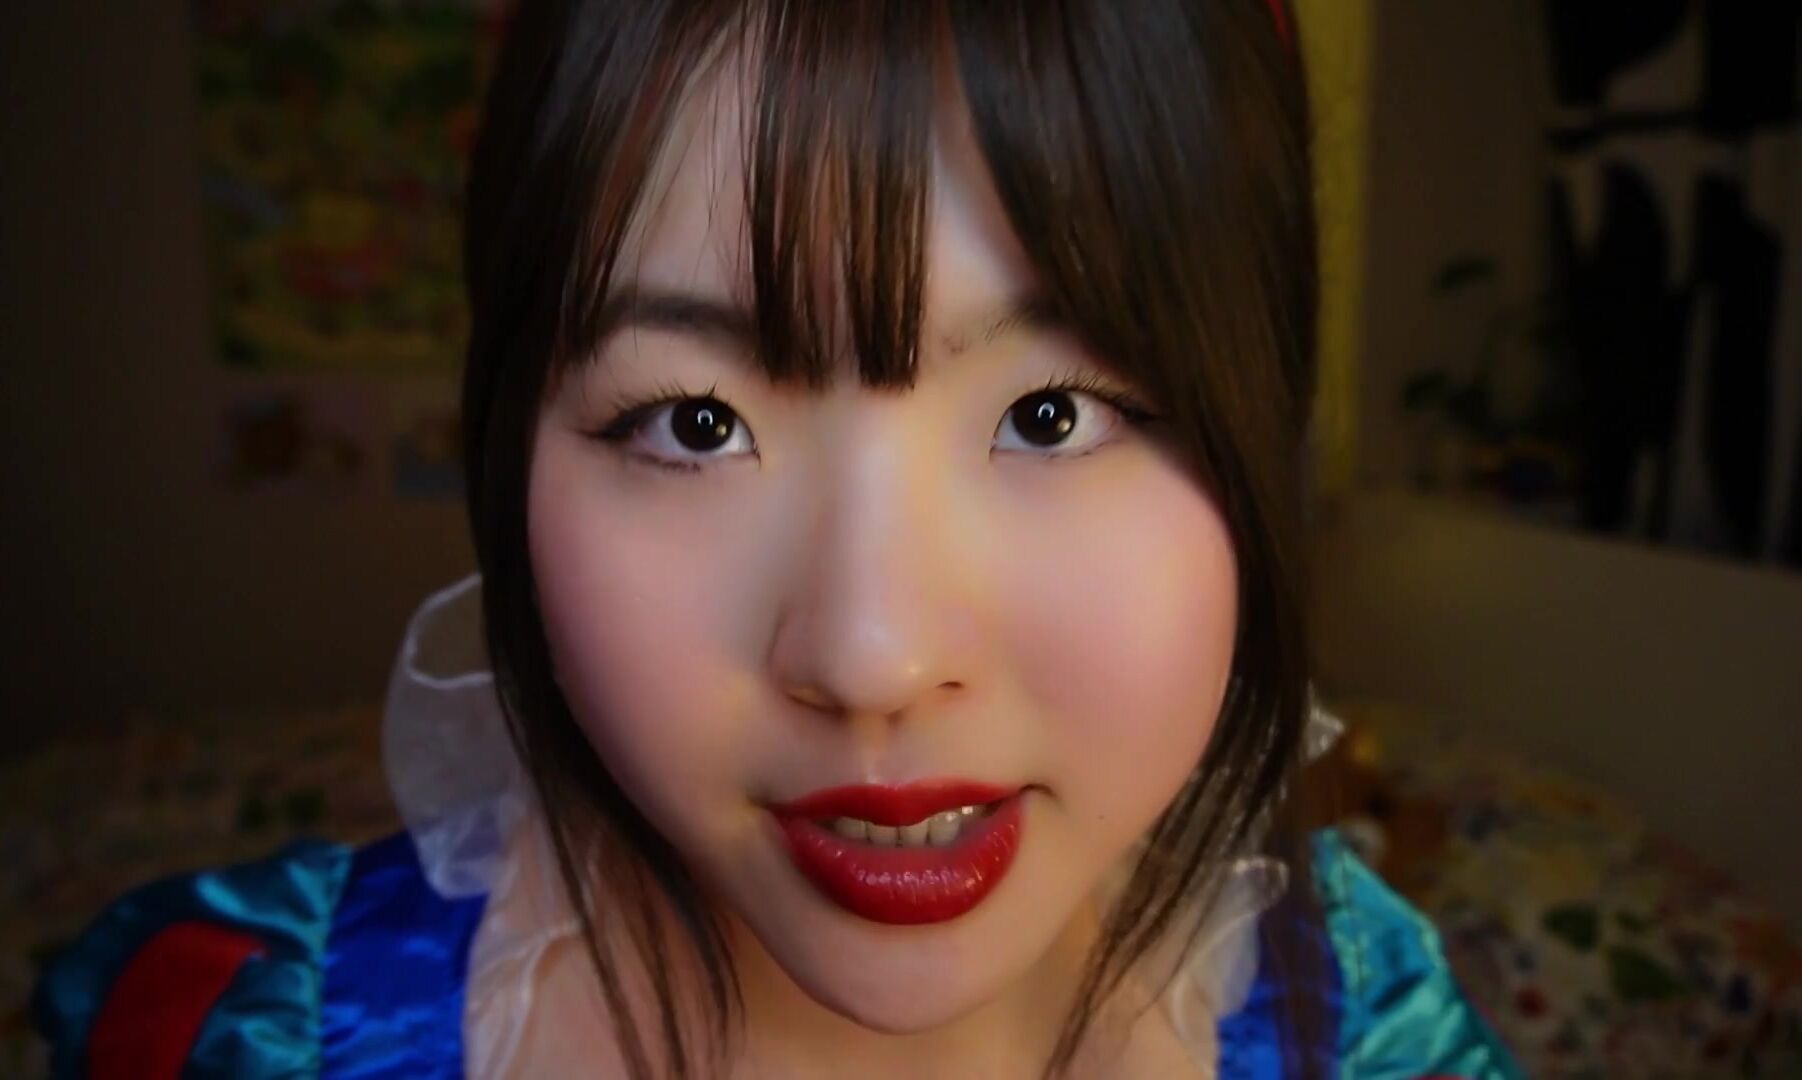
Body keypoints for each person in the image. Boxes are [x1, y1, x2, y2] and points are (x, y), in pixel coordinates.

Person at [36, 1, 1521, 1075]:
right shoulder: (252, 1030)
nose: (872, 657)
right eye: (694, 423)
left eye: (1053, 414)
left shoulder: (1369, 1030)